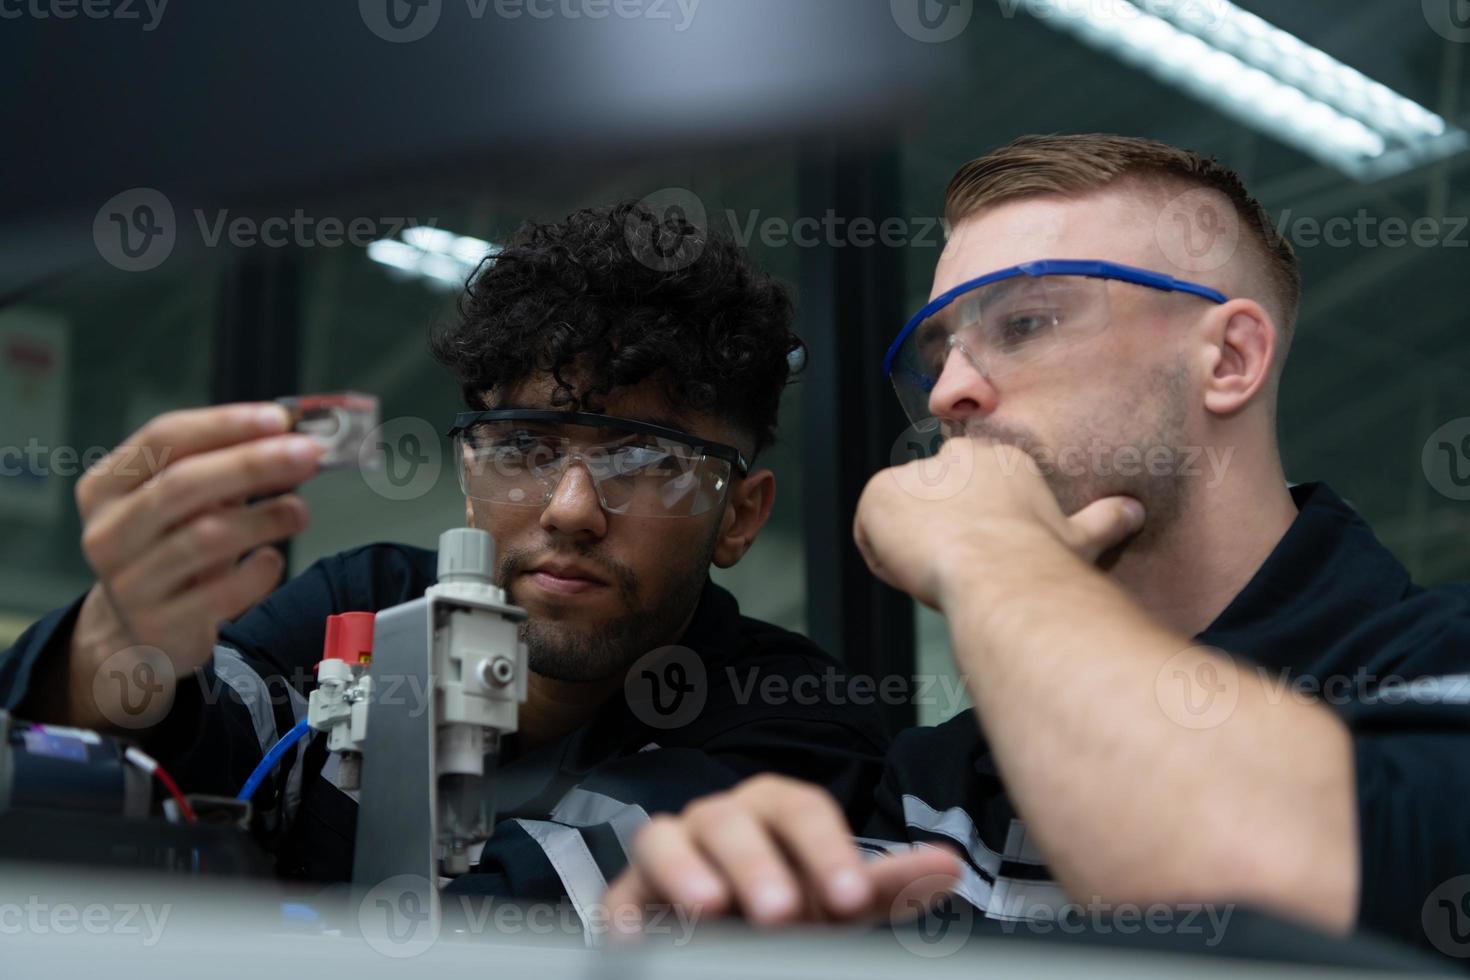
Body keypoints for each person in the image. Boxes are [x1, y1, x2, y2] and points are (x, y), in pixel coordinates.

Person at [604, 135, 1470, 955]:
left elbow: (1293, 892)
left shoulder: (1437, 668)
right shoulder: (944, 785)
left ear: (1230, 360)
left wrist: (991, 553)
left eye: (1024, 324)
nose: (949, 393)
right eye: (937, 354)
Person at [0, 202, 887, 930]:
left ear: (739, 515)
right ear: (469, 478)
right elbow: (184, 744)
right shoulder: (366, 602)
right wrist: (115, 643)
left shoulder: (791, 729)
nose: (571, 510)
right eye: (525, 446)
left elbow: (509, 930)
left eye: (646, 460)